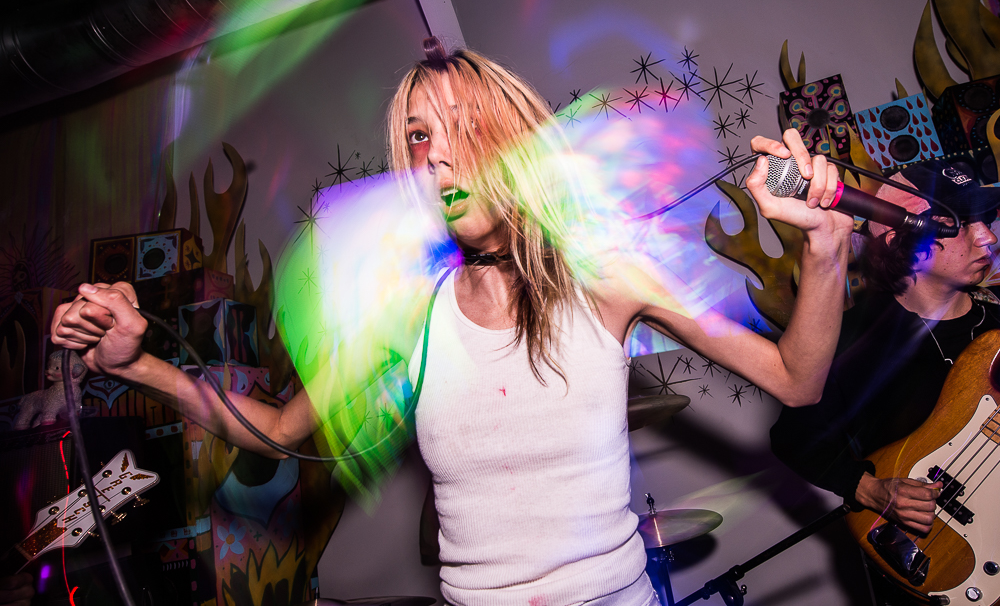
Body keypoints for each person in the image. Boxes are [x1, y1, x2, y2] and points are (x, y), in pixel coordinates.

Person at [45, 39, 851, 606]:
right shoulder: (410, 313)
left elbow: (798, 380)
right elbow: (280, 431)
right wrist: (137, 363)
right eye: (417, 136)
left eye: (461, 126)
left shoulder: (608, 276)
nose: (435, 154)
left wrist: (823, 248)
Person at [770, 161, 1000, 602]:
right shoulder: (853, 338)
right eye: (959, 225)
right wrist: (870, 489)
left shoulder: (997, 320)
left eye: (986, 220)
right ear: (899, 241)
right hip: (932, 552)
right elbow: (794, 438)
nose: (987, 237)